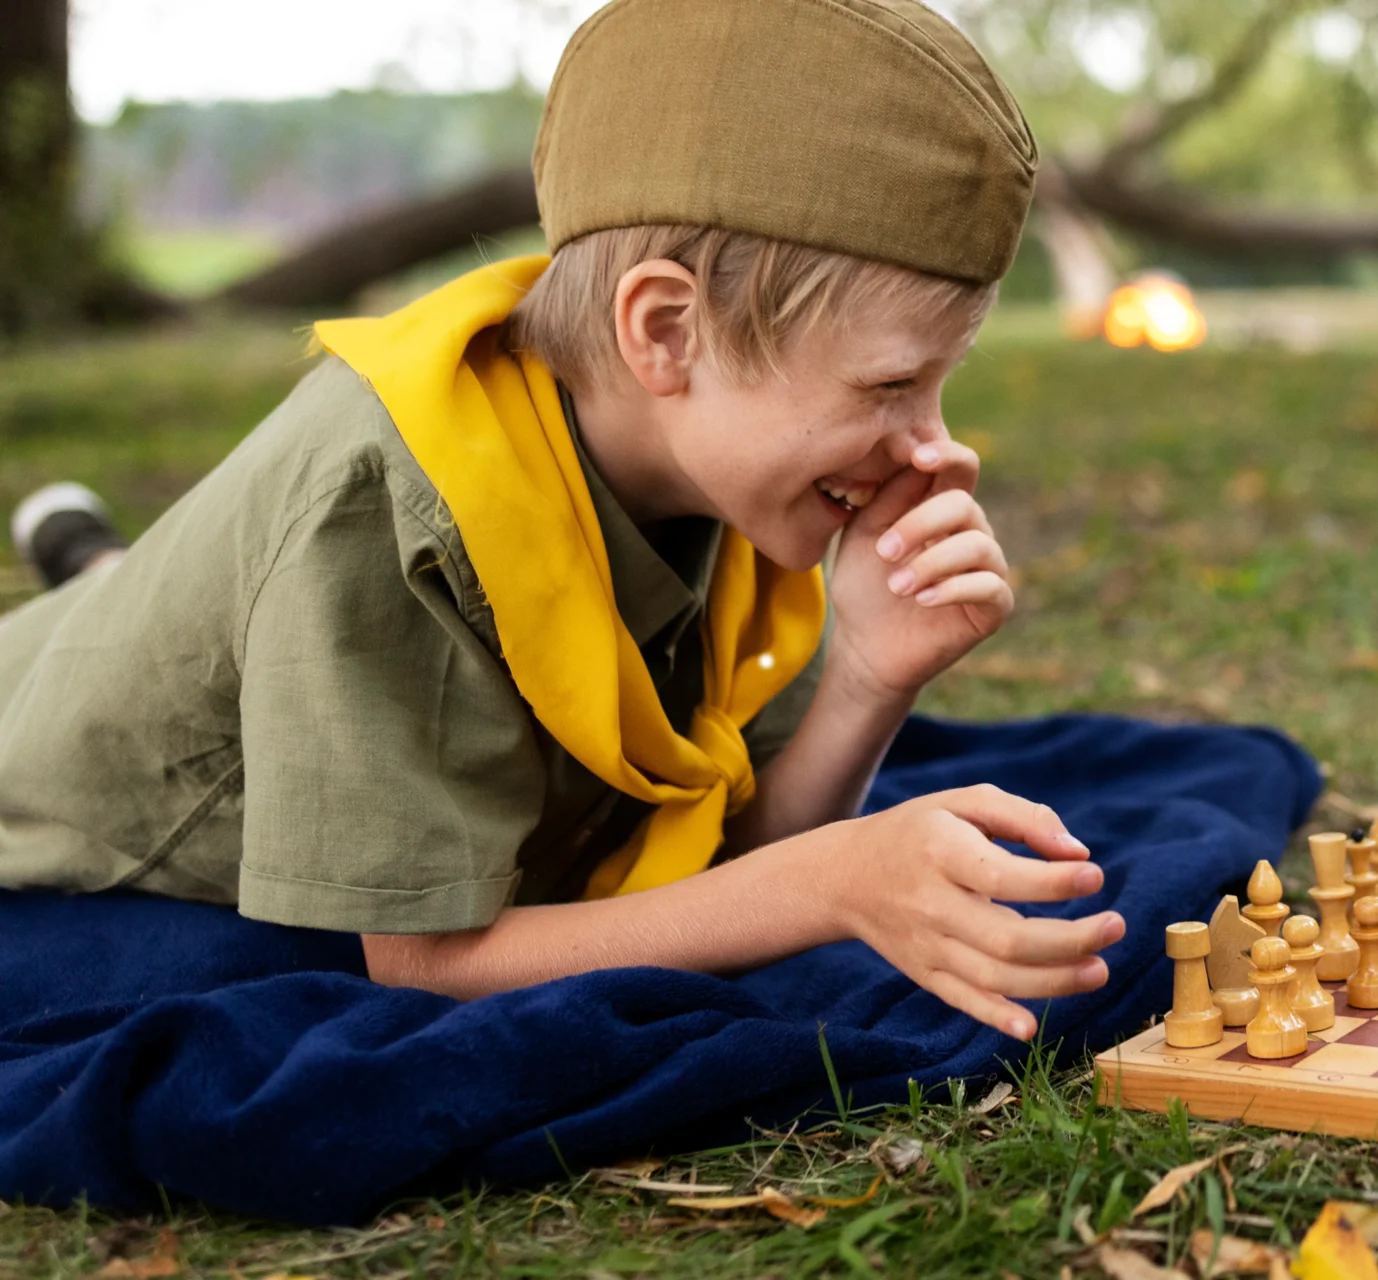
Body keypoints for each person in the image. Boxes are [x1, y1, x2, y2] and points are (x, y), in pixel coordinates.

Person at [0, 0, 1119, 1043]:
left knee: (128, 582)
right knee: (103, 629)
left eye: (935, 385)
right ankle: (89, 564)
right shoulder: (389, 508)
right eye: (887, 387)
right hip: (52, 767)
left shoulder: (709, 463)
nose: (934, 445)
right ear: (668, 332)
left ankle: (87, 552)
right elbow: (428, 959)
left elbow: (732, 858)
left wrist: (872, 674)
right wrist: (832, 882)